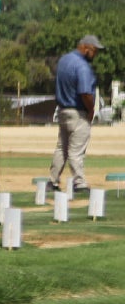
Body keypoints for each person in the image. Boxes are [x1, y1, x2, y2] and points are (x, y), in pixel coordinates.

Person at [48, 35, 104, 193]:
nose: (95, 55)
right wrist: (91, 109)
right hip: (78, 112)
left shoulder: (64, 60)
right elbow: (85, 92)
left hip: (62, 110)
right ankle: (79, 183)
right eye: (94, 51)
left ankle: (52, 181)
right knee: (76, 150)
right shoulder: (83, 66)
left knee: (62, 148)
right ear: (87, 48)